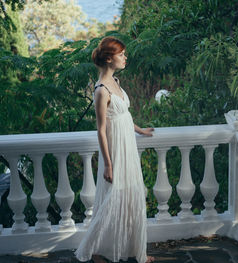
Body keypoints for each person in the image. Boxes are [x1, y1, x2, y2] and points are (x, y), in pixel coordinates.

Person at [75, 36, 155, 263]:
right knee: (112, 199)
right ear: (109, 58)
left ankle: (133, 249)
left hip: (127, 145)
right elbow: (101, 130)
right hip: (116, 152)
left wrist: (140, 130)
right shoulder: (101, 90)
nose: (125, 57)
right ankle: (94, 249)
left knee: (131, 196)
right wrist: (108, 164)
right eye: (121, 54)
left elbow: (122, 116)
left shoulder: (116, 82)